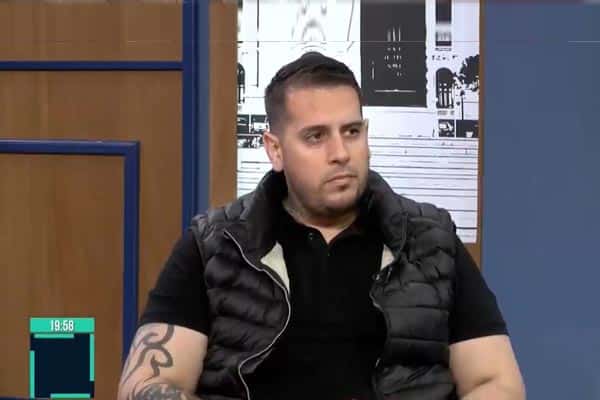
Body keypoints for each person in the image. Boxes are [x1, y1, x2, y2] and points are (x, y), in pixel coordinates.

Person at [117, 52, 525, 400]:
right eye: (315, 137)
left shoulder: (431, 240)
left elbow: (497, 383)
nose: (340, 153)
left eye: (352, 132)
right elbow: (147, 385)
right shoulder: (215, 245)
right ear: (275, 150)